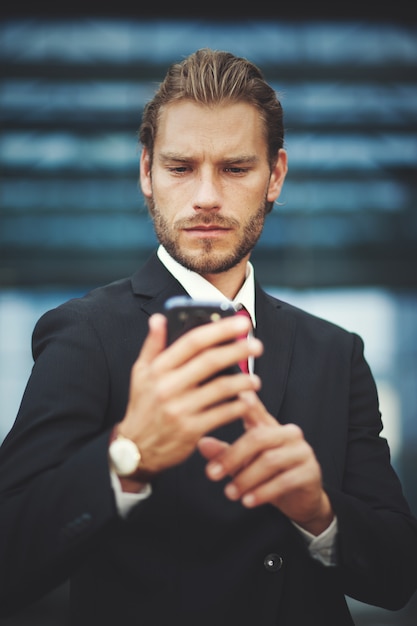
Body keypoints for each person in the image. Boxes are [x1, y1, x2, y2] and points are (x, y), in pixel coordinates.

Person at [0, 48, 416, 626]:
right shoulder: (84, 334)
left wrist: (319, 511)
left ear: (276, 176)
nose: (206, 198)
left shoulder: (336, 352)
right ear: (146, 172)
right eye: (180, 167)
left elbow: (399, 577)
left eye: (236, 168)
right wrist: (126, 458)